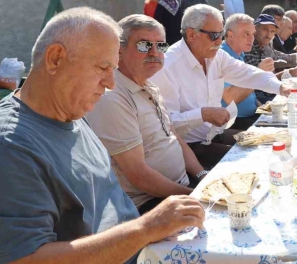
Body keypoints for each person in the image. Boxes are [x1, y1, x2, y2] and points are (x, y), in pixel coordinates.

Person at [0, 7, 204, 264]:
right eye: (103, 67)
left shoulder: (70, 113)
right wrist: (146, 228)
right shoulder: (5, 147)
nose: (111, 84)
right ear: (55, 59)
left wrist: (150, 229)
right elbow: (25, 260)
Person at [87, 14, 208, 214]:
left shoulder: (149, 86)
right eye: (144, 45)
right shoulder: (112, 97)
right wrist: (193, 195)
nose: (154, 52)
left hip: (179, 187)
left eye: (160, 46)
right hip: (148, 204)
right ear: (119, 49)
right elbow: (139, 175)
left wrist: (202, 174)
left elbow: (173, 136)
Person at [150, 5, 290, 169]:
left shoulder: (215, 55)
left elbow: (247, 73)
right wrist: (203, 114)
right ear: (191, 34)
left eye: (221, 34)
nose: (219, 41)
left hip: (216, 134)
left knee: (274, 144)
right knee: (253, 164)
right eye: (214, 35)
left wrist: (282, 88)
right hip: (189, 149)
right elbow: (166, 126)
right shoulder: (168, 66)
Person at [220, 14, 267, 131]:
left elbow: (248, 92)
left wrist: (263, 109)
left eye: (253, 34)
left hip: (250, 115)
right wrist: (258, 73)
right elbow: (230, 98)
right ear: (230, 34)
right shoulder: (222, 56)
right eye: (246, 34)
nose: (251, 38)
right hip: (234, 122)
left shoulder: (239, 53)